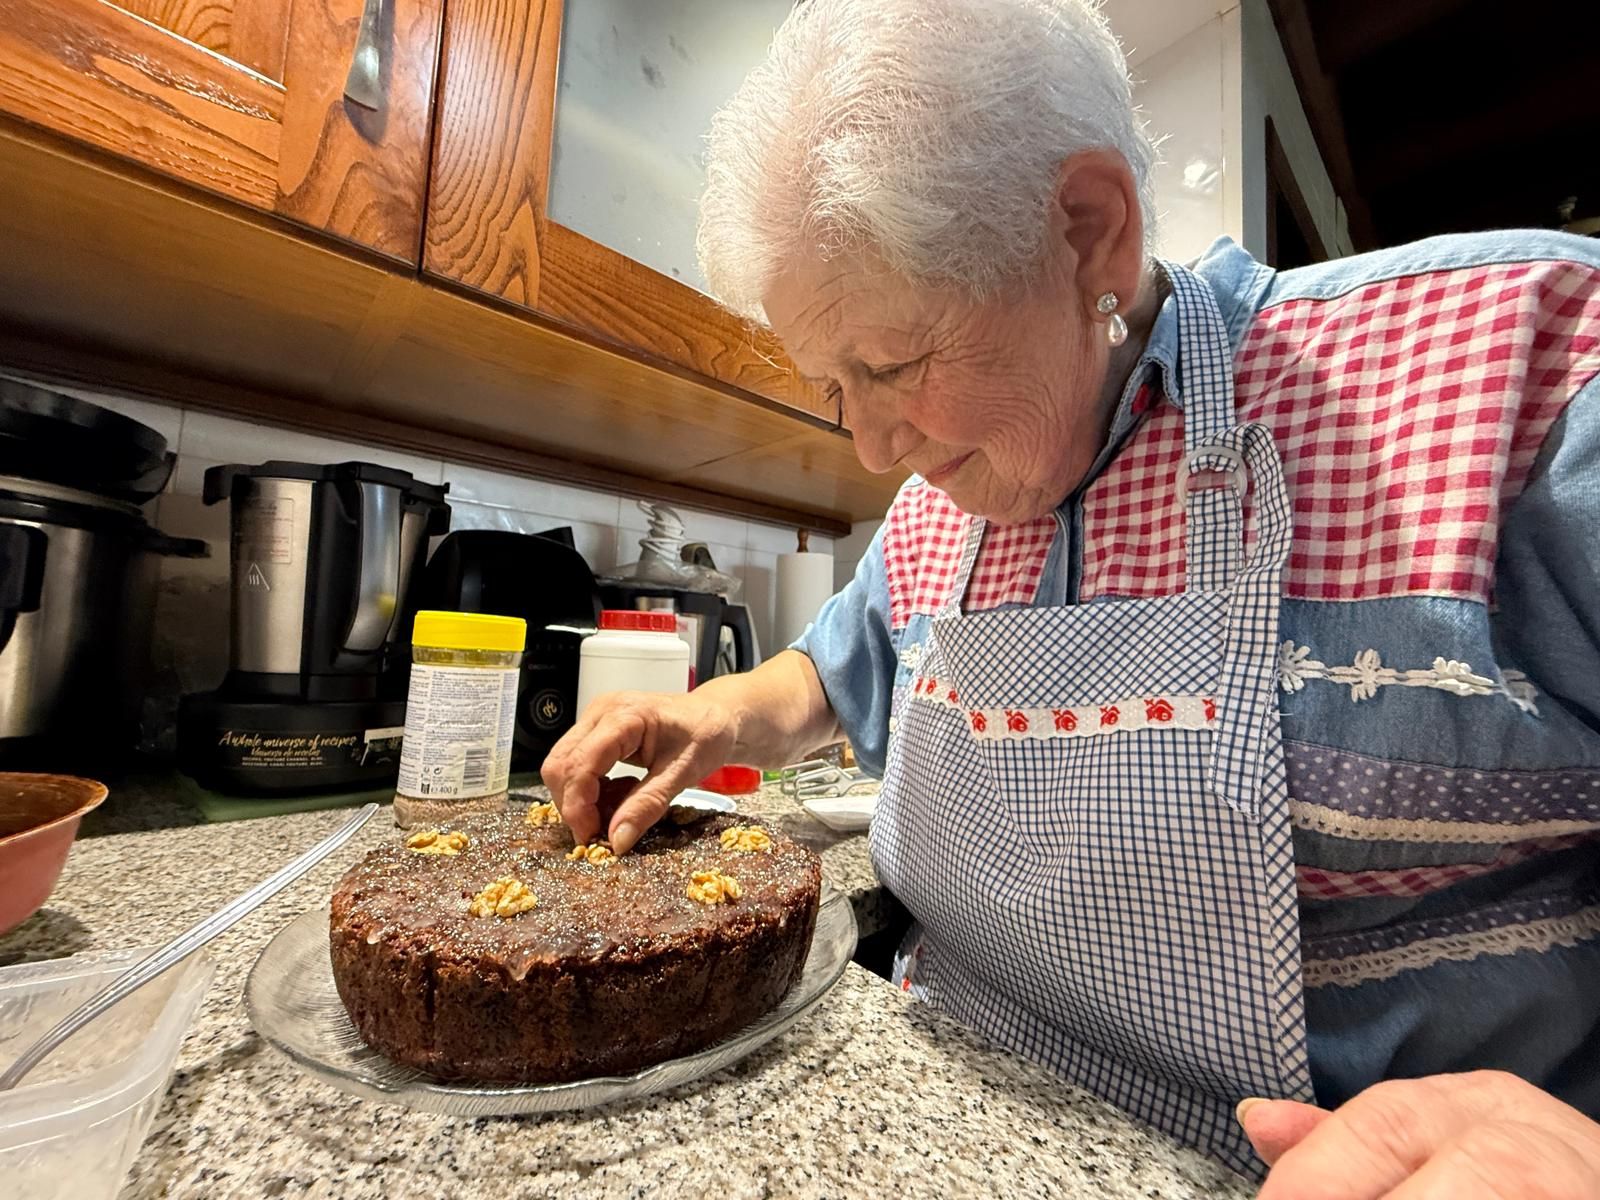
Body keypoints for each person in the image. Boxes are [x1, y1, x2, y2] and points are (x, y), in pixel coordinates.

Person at [542, 0, 1600, 1191]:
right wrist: (720, 713)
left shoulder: (1535, 365)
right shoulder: (948, 494)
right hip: (920, 1100)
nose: (875, 446)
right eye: (834, 388)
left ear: (1088, 232)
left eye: (889, 367)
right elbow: (839, 671)